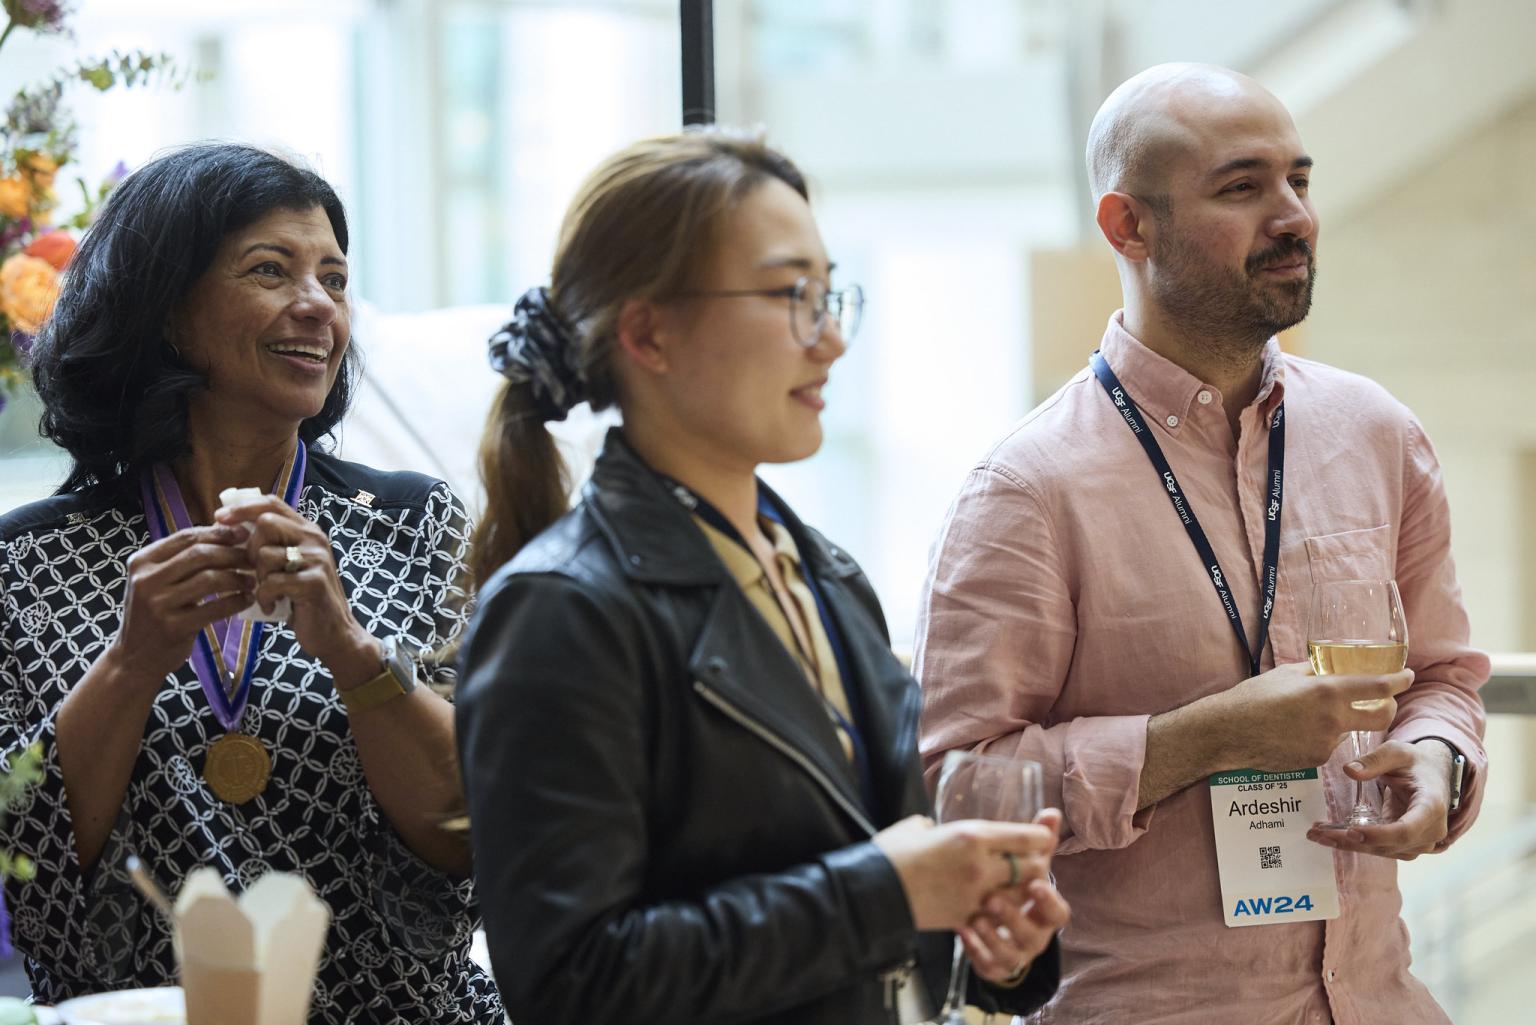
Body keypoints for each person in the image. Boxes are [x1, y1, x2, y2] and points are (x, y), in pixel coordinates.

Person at [454, 128, 1068, 1025]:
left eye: (830, 294)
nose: (831, 341)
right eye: (791, 295)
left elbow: (882, 896)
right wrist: (888, 894)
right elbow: (570, 986)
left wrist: (993, 942)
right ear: (648, 331)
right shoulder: (561, 609)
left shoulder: (828, 574)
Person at [915, 63, 1488, 1025]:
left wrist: (1438, 759)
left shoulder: (1378, 434)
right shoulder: (1025, 490)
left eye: (1299, 180)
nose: (1294, 214)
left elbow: (1444, 677)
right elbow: (957, 788)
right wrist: (1205, 739)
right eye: (1242, 186)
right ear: (1126, 226)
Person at [0, 143, 503, 1023]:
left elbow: (470, 825)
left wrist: (351, 651)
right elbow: (25, 862)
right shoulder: (28, 559)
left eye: (335, 280)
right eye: (271, 271)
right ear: (165, 310)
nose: (318, 305)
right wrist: (131, 660)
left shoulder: (413, 523)